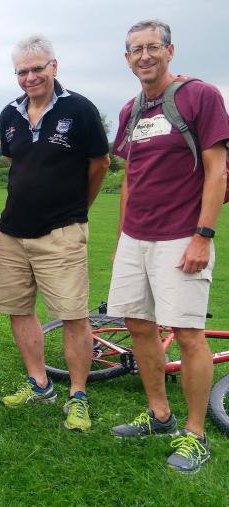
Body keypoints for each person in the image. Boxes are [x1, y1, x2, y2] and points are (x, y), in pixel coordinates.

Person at [108, 20, 229, 472]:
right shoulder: (130, 109)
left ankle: (195, 434)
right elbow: (129, 179)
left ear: (170, 50)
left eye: (152, 47)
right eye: (136, 49)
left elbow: (218, 170)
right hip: (136, 237)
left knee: (188, 334)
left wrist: (204, 234)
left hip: (182, 235)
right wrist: (122, 236)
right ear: (127, 58)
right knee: (139, 326)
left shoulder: (201, 96)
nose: (144, 56)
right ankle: (160, 415)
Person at [0, 35, 110, 432]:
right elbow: (17, 162)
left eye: (37, 68)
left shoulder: (80, 110)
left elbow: (100, 163)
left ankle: (77, 395)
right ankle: (40, 383)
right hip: (12, 232)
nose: (30, 77)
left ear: (54, 67)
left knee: (74, 316)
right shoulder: (9, 115)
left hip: (61, 231)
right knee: (18, 309)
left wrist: (78, 208)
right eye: (22, 71)